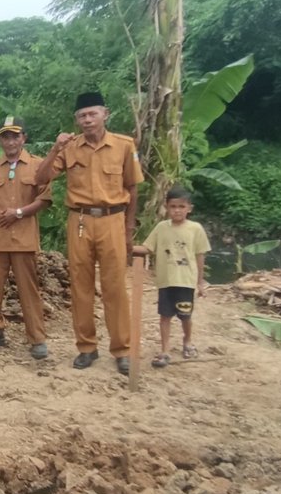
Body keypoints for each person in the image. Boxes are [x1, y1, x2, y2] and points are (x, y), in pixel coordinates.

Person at [36, 92, 141, 374]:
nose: (87, 120)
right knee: (80, 286)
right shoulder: (69, 148)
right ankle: (86, 347)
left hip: (113, 220)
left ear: (105, 114)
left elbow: (132, 188)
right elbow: (40, 178)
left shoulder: (123, 146)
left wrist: (130, 229)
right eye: (82, 116)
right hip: (79, 221)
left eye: (92, 114)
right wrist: (54, 149)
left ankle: (122, 350)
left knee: (115, 287)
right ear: (76, 119)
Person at [0, 115, 52, 359]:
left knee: (29, 290)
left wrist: (19, 213)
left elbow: (45, 198)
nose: (10, 141)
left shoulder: (38, 165)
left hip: (23, 239)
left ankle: (37, 338)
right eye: (5, 136)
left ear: (24, 138)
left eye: (15, 135)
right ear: (0, 140)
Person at [133, 188, 212, 369]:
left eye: (181, 206)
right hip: (165, 281)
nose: (177, 210)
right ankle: (165, 350)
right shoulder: (161, 228)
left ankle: (187, 341)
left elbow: (200, 256)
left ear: (189, 208)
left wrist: (200, 282)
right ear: (167, 207)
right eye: (173, 206)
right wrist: (126, 246)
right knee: (165, 316)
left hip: (186, 281)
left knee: (185, 315)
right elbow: (147, 248)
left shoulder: (195, 229)